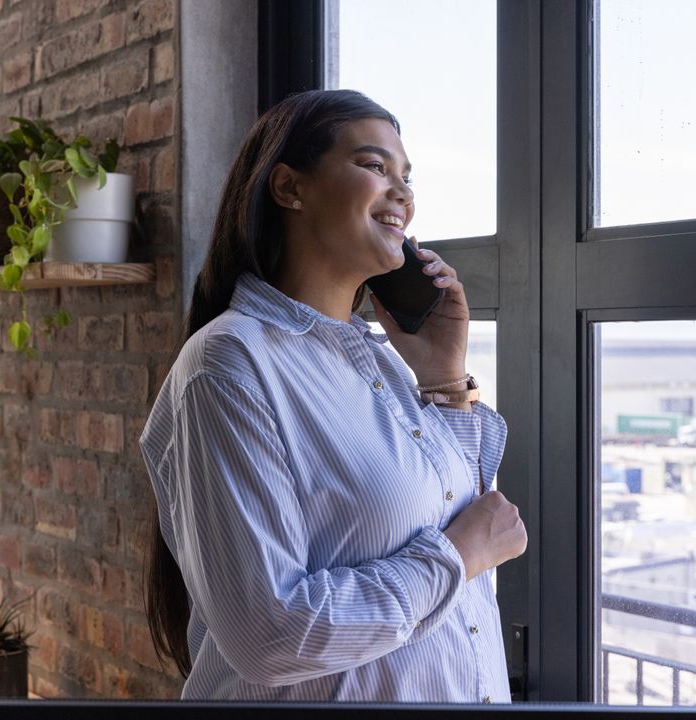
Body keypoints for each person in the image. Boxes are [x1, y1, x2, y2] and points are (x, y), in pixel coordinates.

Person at [140, 89, 528, 703]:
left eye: (406, 176)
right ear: (290, 188)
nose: (402, 193)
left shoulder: (381, 359)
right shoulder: (229, 364)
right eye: (375, 167)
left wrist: (444, 377)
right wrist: (456, 558)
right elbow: (270, 635)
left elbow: (458, 508)